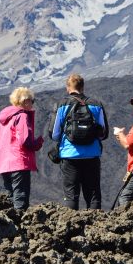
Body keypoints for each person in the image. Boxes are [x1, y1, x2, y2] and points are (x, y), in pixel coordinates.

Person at [49, 73, 109, 210]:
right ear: (83, 87)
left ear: (67, 87)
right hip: (92, 154)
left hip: (69, 156)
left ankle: (71, 227)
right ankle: (97, 226)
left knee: (71, 194)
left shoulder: (61, 105)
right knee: (93, 193)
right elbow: (103, 133)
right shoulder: (96, 104)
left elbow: (53, 133)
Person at [0, 87, 44, 210]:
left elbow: (0, 142)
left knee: (10, 197)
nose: (32, 103)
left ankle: (11, 225)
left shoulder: (4, 119)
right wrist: (38, 143)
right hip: (18, 162)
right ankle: (20, 225)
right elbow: (24, 140)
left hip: (4, 163)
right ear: (25, 101)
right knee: (20, 197)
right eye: (32, 100)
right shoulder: (21, 116)